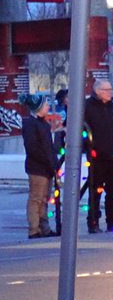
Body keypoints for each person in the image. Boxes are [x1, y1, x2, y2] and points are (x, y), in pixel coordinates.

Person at [83, 80, 113, 233]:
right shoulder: (87, 108)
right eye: (107, 89)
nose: (110, 92)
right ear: (97, 91)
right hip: (96, 158)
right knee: (95, 191)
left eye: (111, 89)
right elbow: (80, 130)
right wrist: (88, 149)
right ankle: (93, 222)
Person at [22, 94, 59, 239]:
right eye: (45, 105)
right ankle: (34, 229)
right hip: (38, 168)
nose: (48, 107)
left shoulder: (43, 124)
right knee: (36, 199)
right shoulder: (31, 124)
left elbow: (48, 147)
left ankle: (44, 228)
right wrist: (49, 163)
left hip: (46, 167)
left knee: (44, 199)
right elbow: (34, 148)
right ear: (38, 108)